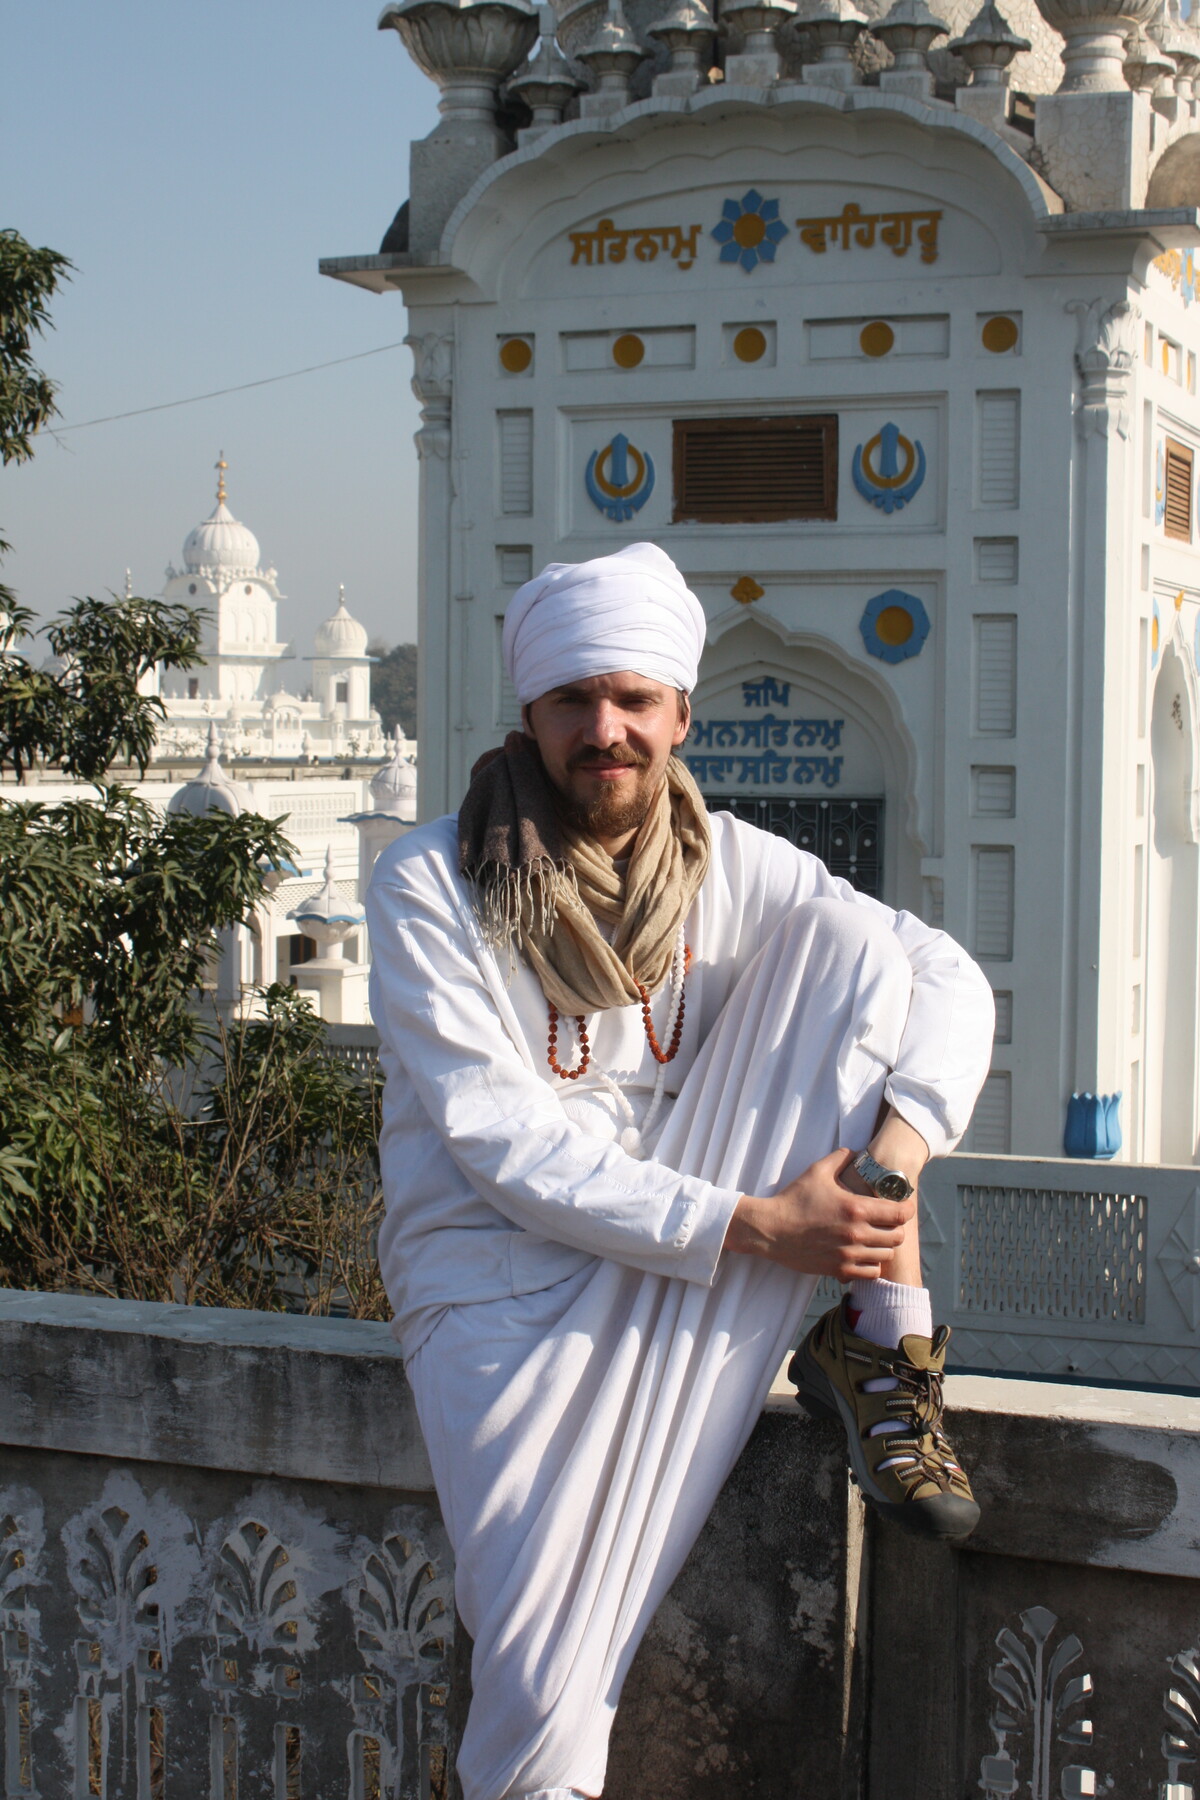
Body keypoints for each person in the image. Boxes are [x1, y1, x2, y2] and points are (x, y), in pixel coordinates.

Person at [366, 541, 994, 1800]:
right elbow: (499, 1141)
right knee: (545, 1666)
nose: (605, 729)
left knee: (860, 950)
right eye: (574, 700)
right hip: (502, 1279)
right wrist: (761, 1225)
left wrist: (891, 1164)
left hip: (696, 1254)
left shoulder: (736, 867)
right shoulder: (429, 880)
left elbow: (951, 980)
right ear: (531, 716)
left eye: (633, 699)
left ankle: (882, 1342)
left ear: (680, 715)